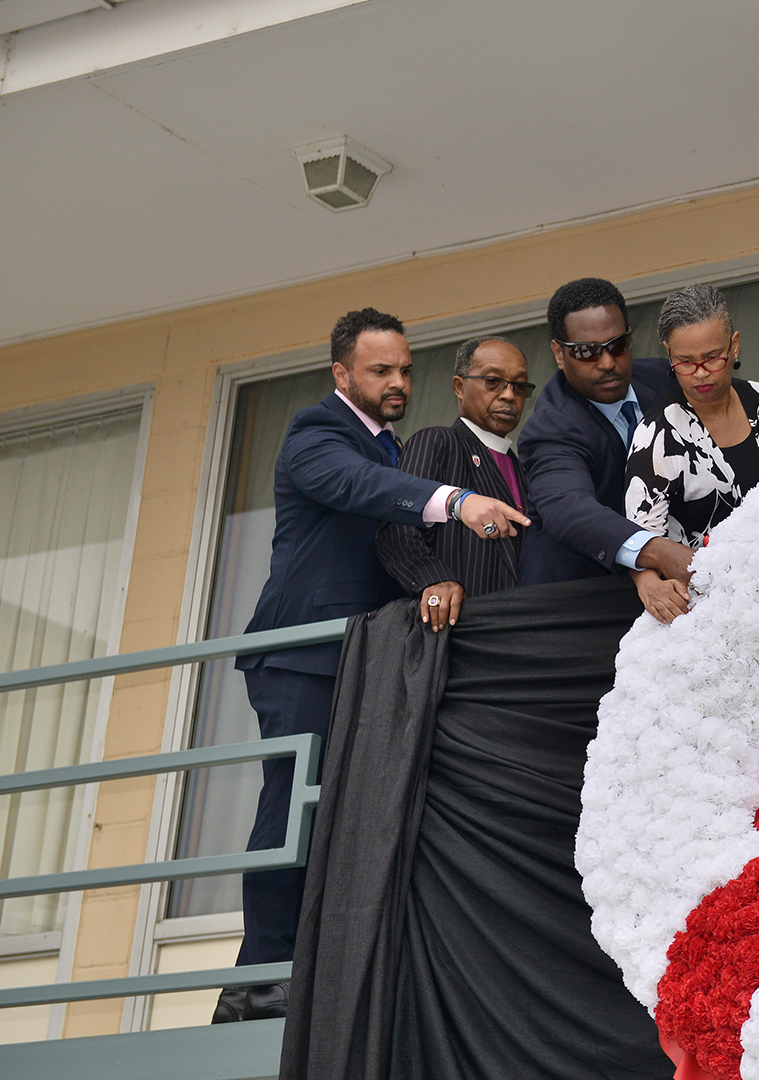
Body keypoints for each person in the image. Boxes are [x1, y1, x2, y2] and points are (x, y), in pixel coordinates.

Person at [219, 309, 525, 1022]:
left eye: (403, 370)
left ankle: (290, 978)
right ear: (341, 374)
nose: (396, 382)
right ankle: (259, 978)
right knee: (290, 812)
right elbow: (355, 487)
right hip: (303, 656)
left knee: (339, 818)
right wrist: (456, 500)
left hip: (366, 662)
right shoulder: (315, 434)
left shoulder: (393, 451)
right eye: (379, 370)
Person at [624, 285, 759, 624]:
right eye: (685, 362)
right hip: (710, 608)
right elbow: (640, 539)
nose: (700, 372)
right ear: (669, 355)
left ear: (734, 345)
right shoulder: (657, 435)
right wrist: (647, 583)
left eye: (712, 357)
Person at [517, 277, 689, 590]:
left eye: (617, 346)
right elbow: (568, 508)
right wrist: (657, 552)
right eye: (587, 352)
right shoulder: (552, 426)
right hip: (578, 600)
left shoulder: (667, 380)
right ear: (559, 353)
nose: (608, 363)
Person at [375, 335, 534, 630]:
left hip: (515, 634)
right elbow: (396, 527)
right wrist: (433, 579)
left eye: (519, 386)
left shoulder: (523, 469)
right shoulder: (438, 442)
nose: (509, 396)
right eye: (493, 381)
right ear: (459, 387)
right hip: (454, 635)